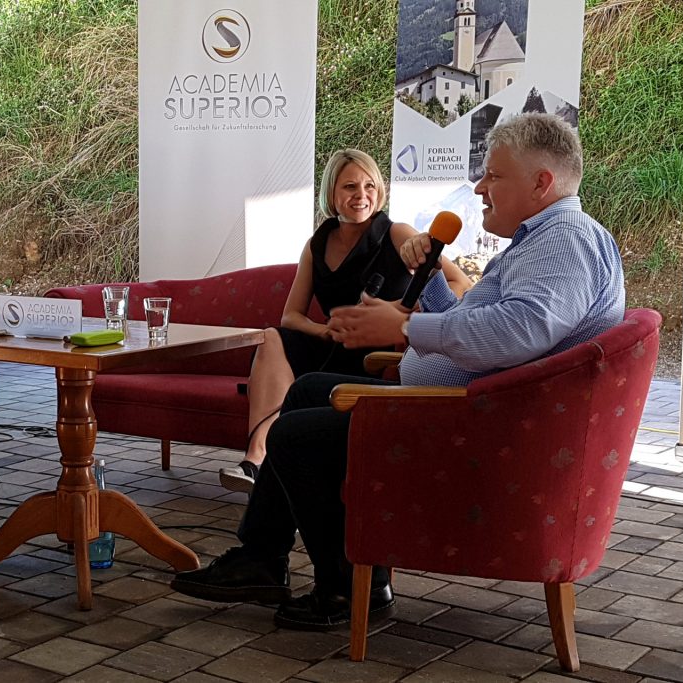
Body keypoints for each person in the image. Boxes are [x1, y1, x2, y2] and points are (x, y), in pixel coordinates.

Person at [174, 113, 626, 630]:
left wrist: (407, 331)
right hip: (466, 406)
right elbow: (473, 323)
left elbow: (517, 333)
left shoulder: (563, 241)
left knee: (296, 435)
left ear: (542, 182)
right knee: (308, 392)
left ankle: (347, 590)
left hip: (474, 425)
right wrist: (426, 277)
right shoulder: (545, 238)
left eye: (494, 176)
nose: (480, 188)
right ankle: (262, 558)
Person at [218, 150, 471, 493]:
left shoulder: (396, 232)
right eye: (350, 186)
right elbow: (291, 316)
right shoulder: (316, 244)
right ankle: (255, 459)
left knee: (292, 363)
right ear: (332, 194)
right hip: (329, 344)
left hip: (376, 350)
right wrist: (322, 330)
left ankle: (275, 473)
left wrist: (400, 311)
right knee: (272, 337)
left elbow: (460, 285)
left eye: (369, 185)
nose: (361, 195)